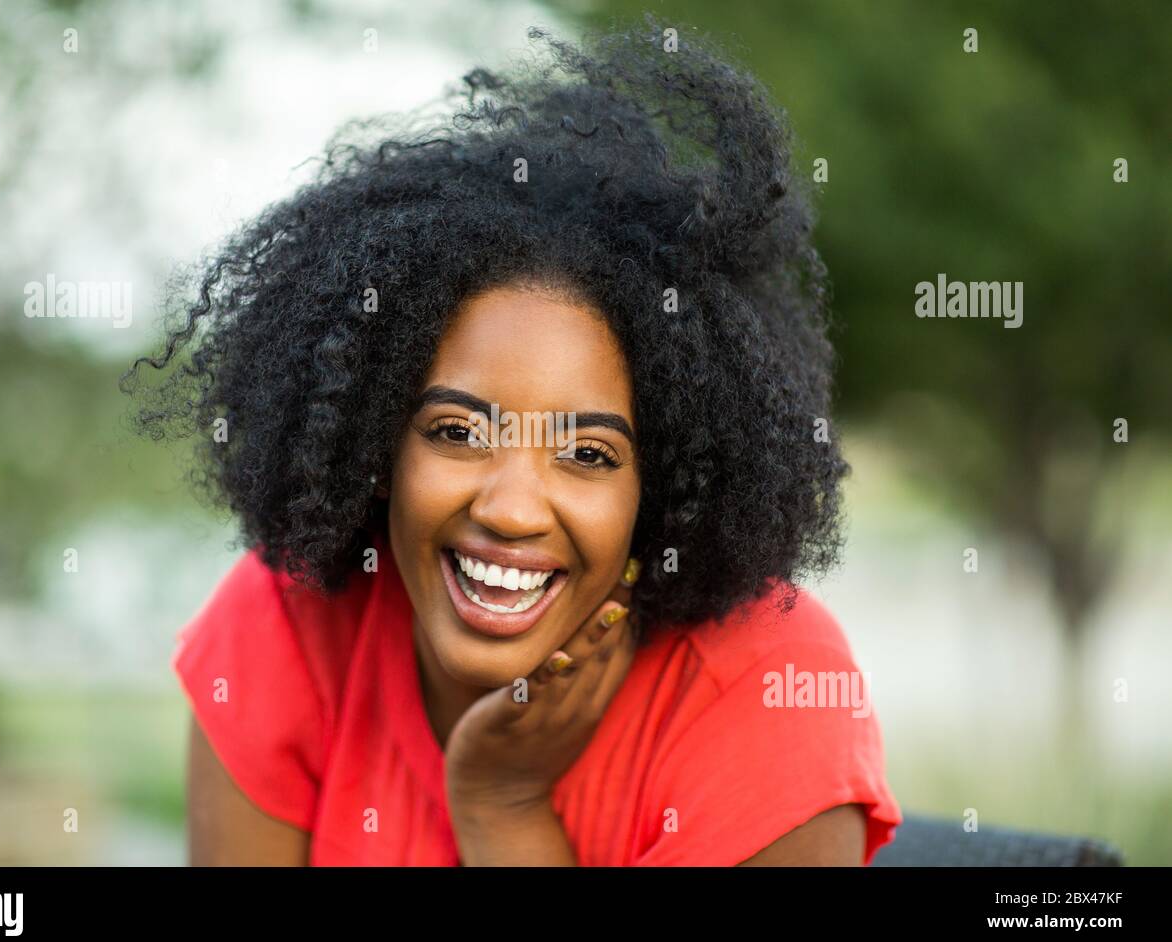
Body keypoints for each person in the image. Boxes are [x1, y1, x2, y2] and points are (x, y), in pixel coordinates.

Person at [123, 14, 901, 866]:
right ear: (379, 444)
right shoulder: (283, 623)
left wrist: (502, 809)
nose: (512, 509)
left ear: (663, 486)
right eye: (457, 432)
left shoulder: (770, 691)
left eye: (589, 454)